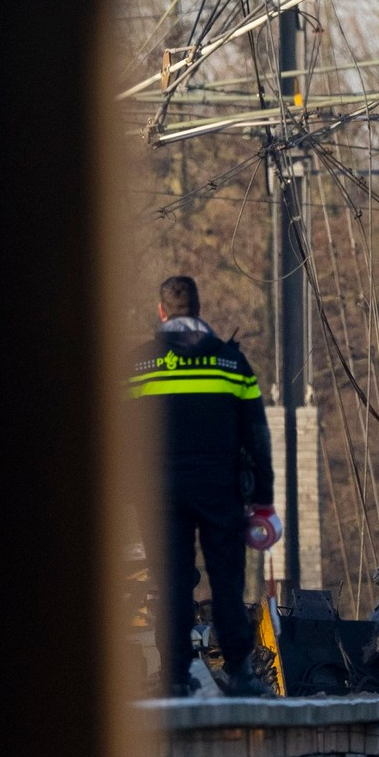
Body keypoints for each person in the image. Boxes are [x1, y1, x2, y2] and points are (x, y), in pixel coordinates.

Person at [131, 275, 278, 697]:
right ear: (197, 309)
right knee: (226, 579)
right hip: (220, 489)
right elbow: (257, 433)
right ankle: (240, 673)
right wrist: (263, 500)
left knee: (171, 580)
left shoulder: (138, 364)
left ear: (162, 311)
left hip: (158, 490)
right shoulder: (230, 362)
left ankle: (174, 677)